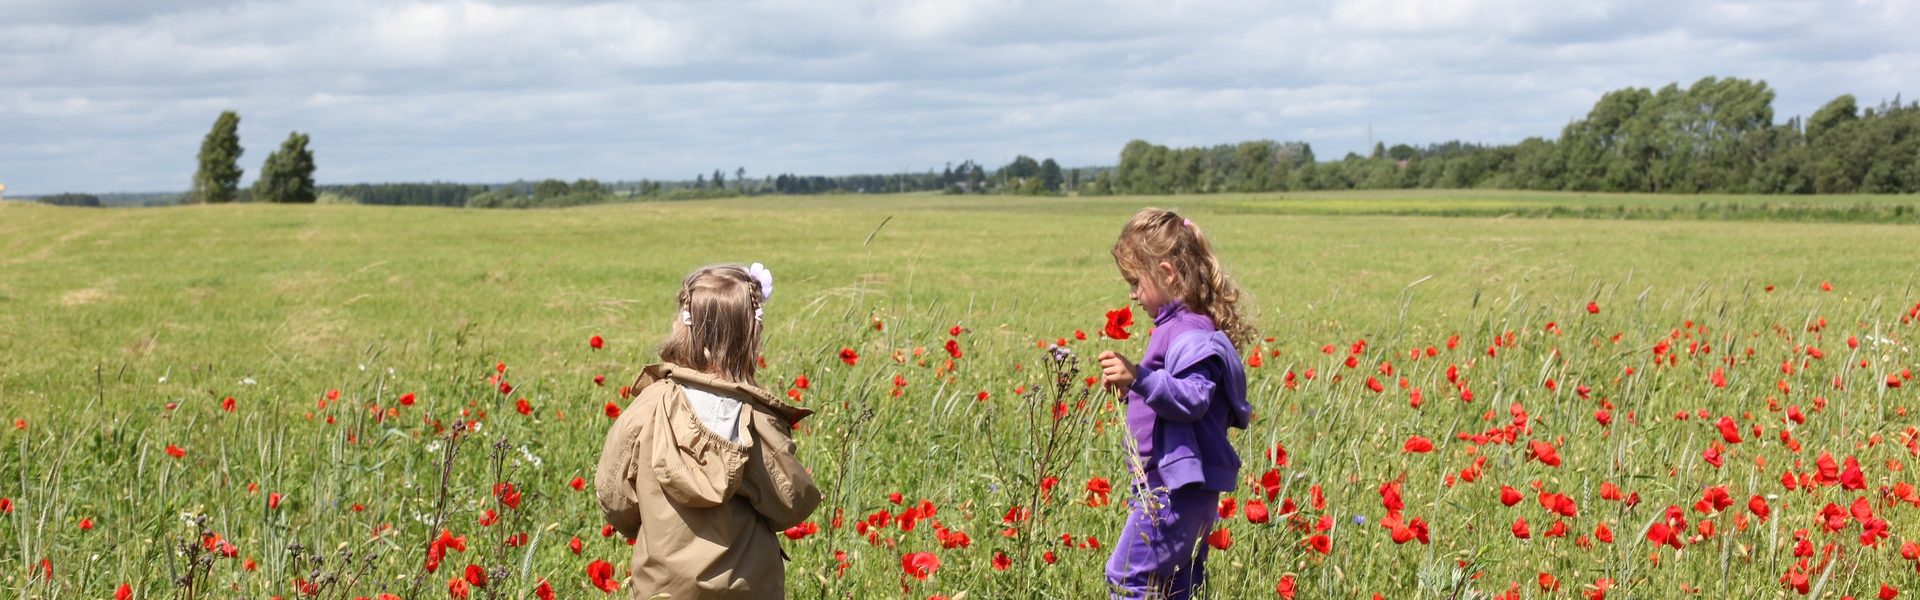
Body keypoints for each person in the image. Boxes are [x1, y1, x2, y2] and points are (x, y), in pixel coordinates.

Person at [596, 263, 821, 599]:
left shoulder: (648, 407)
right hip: (747, 588)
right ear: (750, 337)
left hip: (662, 588)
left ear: (684, 327)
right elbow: (792, 504)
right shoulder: (757, 420)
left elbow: (614, 500)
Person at [1096, 209, 1254, 599]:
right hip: (1168, 488)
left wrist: (1140, 378)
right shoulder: (1178, 326)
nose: (1132, 295)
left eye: (1136, 282)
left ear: (1167, 273)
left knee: (1127, 577)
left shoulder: (1189, 331)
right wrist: (1135, 389)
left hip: (1173, 490)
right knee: (1170, 588)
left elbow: (1195, 397)